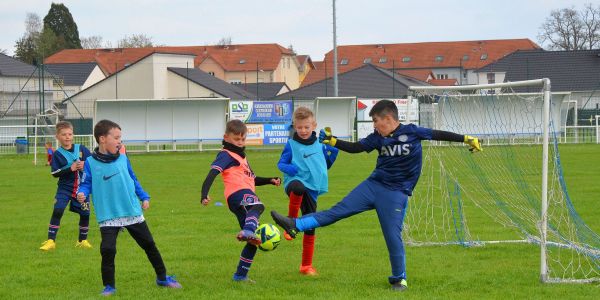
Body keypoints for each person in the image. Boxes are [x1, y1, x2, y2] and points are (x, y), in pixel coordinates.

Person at [271, 99, 482, 291]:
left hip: (396, 193)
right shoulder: (377, 138)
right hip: (372, 186)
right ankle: (295, 224)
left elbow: (439, 134)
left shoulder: (413, 132)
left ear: (388, 119)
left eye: (376, 121)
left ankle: (399, 278)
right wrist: (333, 141)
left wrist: (466, 139)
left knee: (392, 235)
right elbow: (356, 148)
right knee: (337, 212)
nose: (374, 125)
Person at [77, 119, 181, 296]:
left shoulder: (123, 159)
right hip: (108, 214)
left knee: (149, 244)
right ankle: (109, 286)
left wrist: (144, 196)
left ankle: (162, 277)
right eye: (116, 138)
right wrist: (82, 192)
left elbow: (133, 179)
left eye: (120, 138)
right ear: (102, 139)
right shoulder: (90, 163)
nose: (120, 141)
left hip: (131, 210)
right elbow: (86, 183)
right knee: (108, 250)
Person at [201, 119, 281, 283]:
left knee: (253, 241)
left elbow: (252, 179)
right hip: (237, 194)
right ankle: (247, 230)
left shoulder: (241, 157)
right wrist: (204, 194)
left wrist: (270, 180)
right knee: (258, 206)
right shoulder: (226, 155)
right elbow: (212, 174)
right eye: (237, 139)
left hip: (240, 197)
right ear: (226, 137)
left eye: (243, 139)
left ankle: (240, 275)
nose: (240, 142)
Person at [276, 107, 338, 276]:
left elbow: (325, 166)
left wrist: (333, 153)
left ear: (314, 125)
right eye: (299, 127)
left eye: (306, 127)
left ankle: (306, 266)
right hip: (293, 183)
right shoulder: (291, 144)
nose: (303, 130)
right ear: (294, 126)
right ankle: (291, 220)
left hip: (312, 189)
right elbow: (280, 164)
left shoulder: (320, 144)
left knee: (311, 225)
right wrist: (290, 168)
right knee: (298, 187)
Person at [40, 121, 92, 251]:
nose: (67, 137)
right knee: (58, 210)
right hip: (64, 188)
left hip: (82, 188)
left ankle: (82, 241)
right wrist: (71, 168)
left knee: (85, 214)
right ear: (57, 137)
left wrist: (85, 163)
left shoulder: (81, 149)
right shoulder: (57, 154)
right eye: (64, 134)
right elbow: (54, 173)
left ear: (73, 135)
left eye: (69, 134)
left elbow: (93, 163)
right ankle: (51, 241)